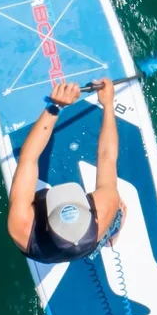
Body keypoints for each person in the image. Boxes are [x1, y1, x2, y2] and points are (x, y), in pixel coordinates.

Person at [9, 78, 124, 263]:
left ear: (46, 226)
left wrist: (55, 107)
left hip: (43, 251)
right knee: (116, 205)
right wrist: (108, 104)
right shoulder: (103, 212)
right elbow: (107, 158)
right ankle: (114, 228)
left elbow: (28, 159)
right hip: (92, 239)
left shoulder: (21, 229)